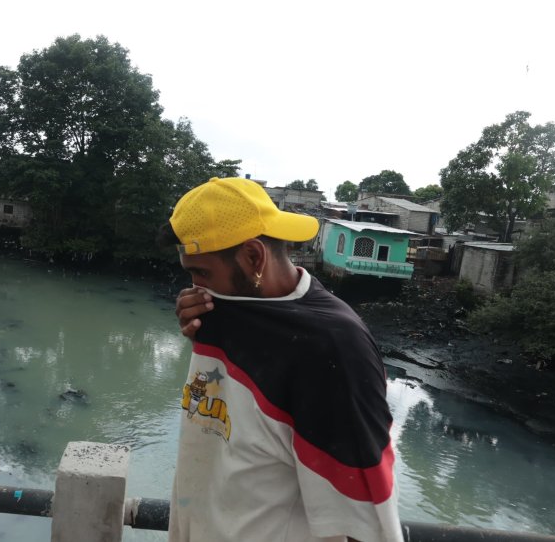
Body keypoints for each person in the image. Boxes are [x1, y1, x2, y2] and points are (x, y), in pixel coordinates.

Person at [162, 177, 403, 542]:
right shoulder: (223, 309)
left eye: (202, 273)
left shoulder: (333, 349)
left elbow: (365, 520)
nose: (195, 289)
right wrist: (199, 336)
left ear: (254, 257)